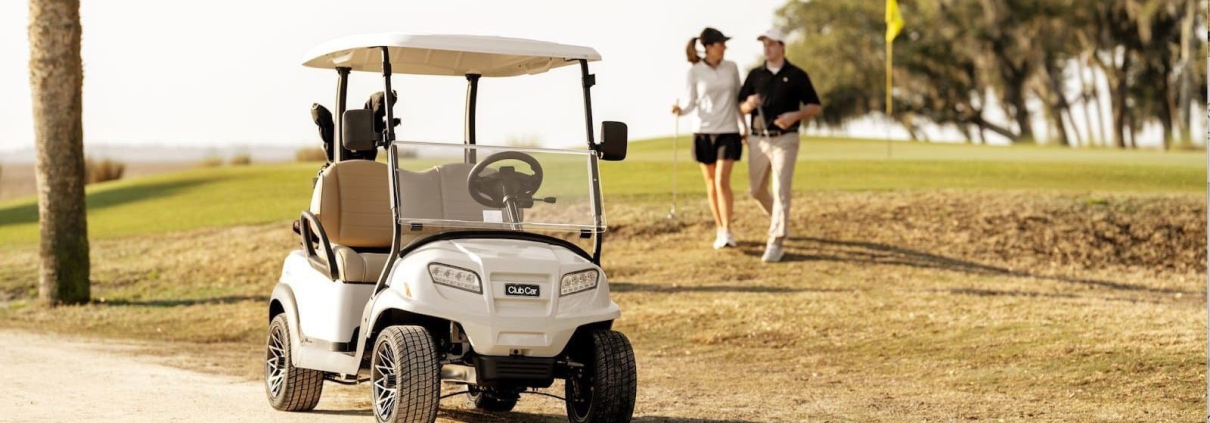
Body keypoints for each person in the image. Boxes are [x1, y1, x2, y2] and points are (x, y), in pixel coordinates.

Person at [738, 28, 822, 262]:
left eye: (772, 44)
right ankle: (780, 220)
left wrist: (794, 116)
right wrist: (749, 104)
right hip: (758, 139)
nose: (767, 48)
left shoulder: (796, 75)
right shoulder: (756, 75)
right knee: (756, 191)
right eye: (764, 44)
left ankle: (776, 240)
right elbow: (741, 106)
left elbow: (814, 106)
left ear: (782, 47)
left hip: (785, 140)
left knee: (781, 190)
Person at [672, 27, 746, 249]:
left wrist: (744, 126)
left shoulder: (731, 68)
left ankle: (728, 229)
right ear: (709, 47)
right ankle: (720, 229)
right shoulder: (694, 71)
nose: (725, 47)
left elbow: (738, 99)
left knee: (723, 180)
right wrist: (679, 110)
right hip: (703, 132)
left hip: (729, 131)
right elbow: (691, 102)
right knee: (711, 184)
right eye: (721, 43)